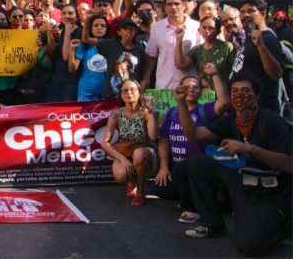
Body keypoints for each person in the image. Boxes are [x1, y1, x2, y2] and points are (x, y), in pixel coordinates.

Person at [176, 72, 292, 255]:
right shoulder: (231, 120)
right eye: (235, 91)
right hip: (243, 181)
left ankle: (284, 225)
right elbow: (193, 135)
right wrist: (181, 103)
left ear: (257, 95)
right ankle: (214, 226)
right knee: (197, 163)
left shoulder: (271, 121)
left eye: (246, 91)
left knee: (249, 246)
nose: (240, 96)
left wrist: (250, 149)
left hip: (270, 190)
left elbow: (289, 164)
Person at [152, 73, 228, 224]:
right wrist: (164, 167)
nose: (191, 90)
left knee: (185, 170)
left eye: (195, 87)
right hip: (176, 168)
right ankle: (201, 197)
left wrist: (214, 74)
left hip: (199, 167)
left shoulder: (206, 109)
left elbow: (224, 101)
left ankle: (192, 207)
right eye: (187, 87)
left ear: (201, 91)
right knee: (161, 190)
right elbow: (164, 140)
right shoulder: (172, 112)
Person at [100, 79, 157, 207]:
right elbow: (105, 143)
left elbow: (153, 136)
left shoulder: (146, 112)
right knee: (120, 175)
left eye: (132, 89)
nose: (128, 93)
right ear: (121, 95)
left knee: (139, 154)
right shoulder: (116, 114)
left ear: (139, 92)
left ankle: (140, 193)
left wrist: (152, 112)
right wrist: (123, 160)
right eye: (125, 90)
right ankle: (132, 182)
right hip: (125, 152)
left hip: (145, 152)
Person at [230, 0, 284, 112]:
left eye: (251, 11)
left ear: (263, 14)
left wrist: (261, 46)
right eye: (242, 12)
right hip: (244, 109)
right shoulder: (250, 37)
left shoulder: (267, 39)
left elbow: (276, 73)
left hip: (261, 110)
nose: (246, 15)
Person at [143, 0, 202, 89]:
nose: (173, 7)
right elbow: (151, 57)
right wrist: (146, 78)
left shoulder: (197, 27)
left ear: (184, 6)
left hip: (191, 88)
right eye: (169, 4)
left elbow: (202, 57)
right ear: (165, 8)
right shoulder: (157, 28)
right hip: (164, 87)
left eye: (176, 4)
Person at [83, 17, 147, 99]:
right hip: (111, 95)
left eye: (131, 29)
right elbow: (86, 40)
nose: (128, 31)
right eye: (125, 28)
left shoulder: (140, 50)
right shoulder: (110, 44)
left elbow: (144, 70)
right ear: (119, 32)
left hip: (131, 95)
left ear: (135, 32)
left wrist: (144, 81)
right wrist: (87, 22)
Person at [175, 16, 234, 88]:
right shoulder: (197, 49)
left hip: (225, 92)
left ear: (218, 31)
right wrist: (179, 39)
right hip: (207, 95)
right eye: (204, 27)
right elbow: (180, 64)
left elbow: (236, 71)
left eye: (211, 28)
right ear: (199, 30)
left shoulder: (227, 47)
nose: (207, 31)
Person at [67, 14, 109, 101]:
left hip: (107, 93)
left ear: (106, 29)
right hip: (87, 93)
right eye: (96, 25)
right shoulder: (84, 46)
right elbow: (72, 69)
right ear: (91, 28)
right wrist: (71, 50)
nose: (99, 28)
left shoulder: (112, 45)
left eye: (103, 26)